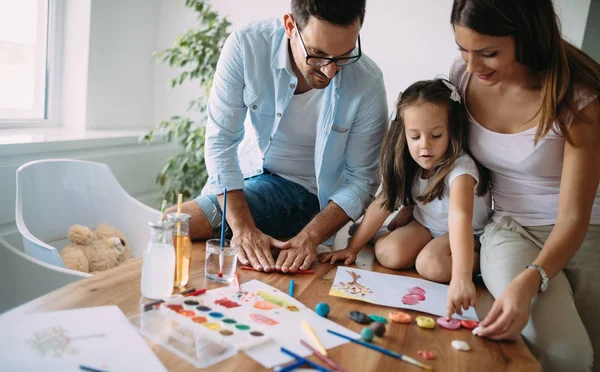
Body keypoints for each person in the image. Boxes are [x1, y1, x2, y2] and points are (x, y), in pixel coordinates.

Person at [166, 0, 388, 274]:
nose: (330, 71)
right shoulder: (246, 47)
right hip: (246, 175)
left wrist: (310, 236)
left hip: (308, 193)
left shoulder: (367, 81)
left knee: (176, 222)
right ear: (290, 26)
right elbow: (221, 142)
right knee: (173, 224)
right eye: (317, 54)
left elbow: (362, 181)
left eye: (344, 55)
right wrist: (243, 229)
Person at [447, 0, 600, 370]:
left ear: (528, 38)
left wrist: (532, 278)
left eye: (488, 53)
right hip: (509, 227)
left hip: (582, 230)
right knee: (568, 355)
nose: (471, 66)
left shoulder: (579, 100)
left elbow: (573, 219)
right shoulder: (463, 77)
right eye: (463, 50)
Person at [319, 78, 492, 318]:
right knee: (389, 254)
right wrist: (352, 248)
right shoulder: (410, 162)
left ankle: (482, 263)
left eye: (436, 135)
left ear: (452, 131)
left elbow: (460, 219)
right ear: (404, 135)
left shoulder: (461, 169)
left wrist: (462, 279)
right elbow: (383, 202)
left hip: (467, 235)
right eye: (415, 137)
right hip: (427, 226)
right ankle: (393, 236)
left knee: (430, 265)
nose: (425, 146)